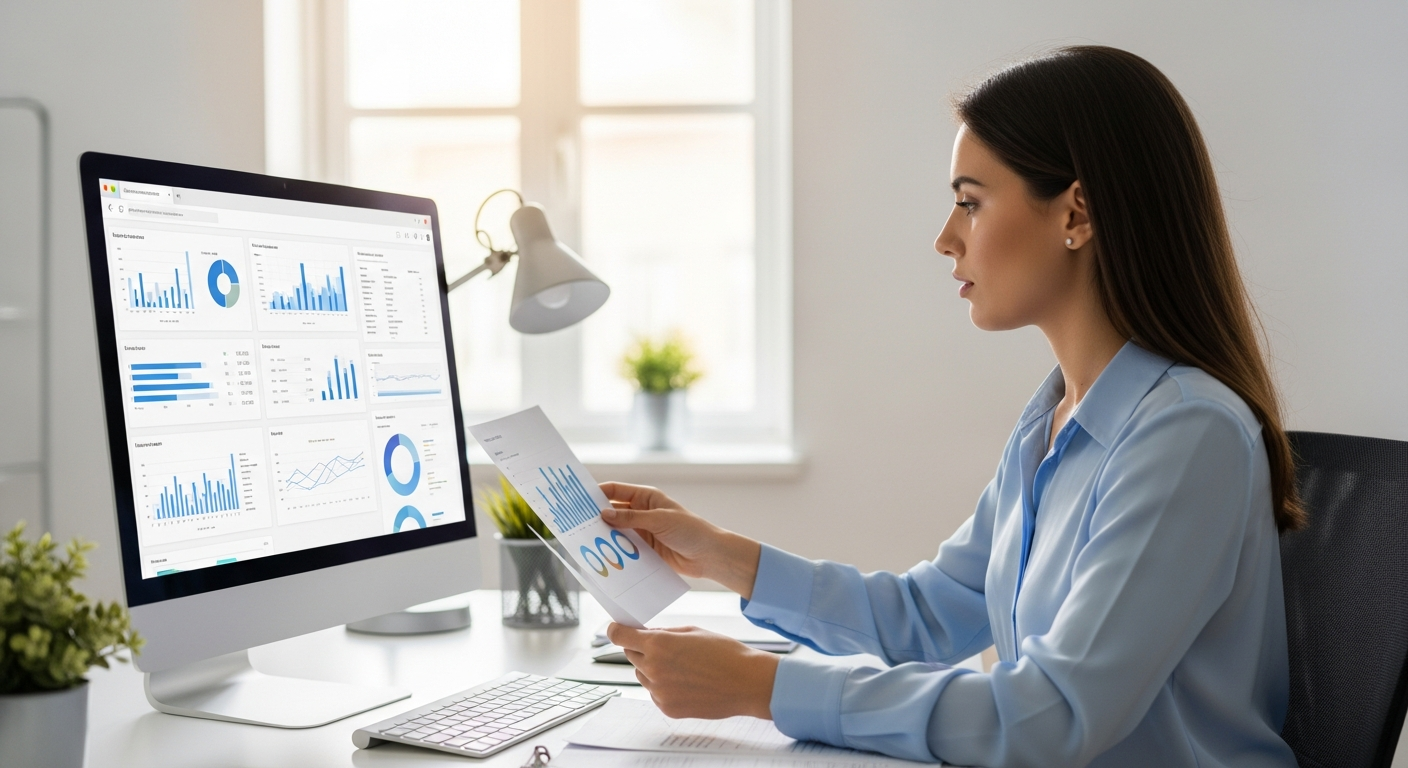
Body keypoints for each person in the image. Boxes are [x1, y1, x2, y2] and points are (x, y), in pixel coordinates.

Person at [600, 45, 1303, 767]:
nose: (945, 238)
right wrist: (722, 555)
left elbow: (1053, 715)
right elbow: (927, 616)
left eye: (970, 202)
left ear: (1077, 212)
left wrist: (765, 685)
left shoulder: (1186, 434)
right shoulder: (1052, 423)